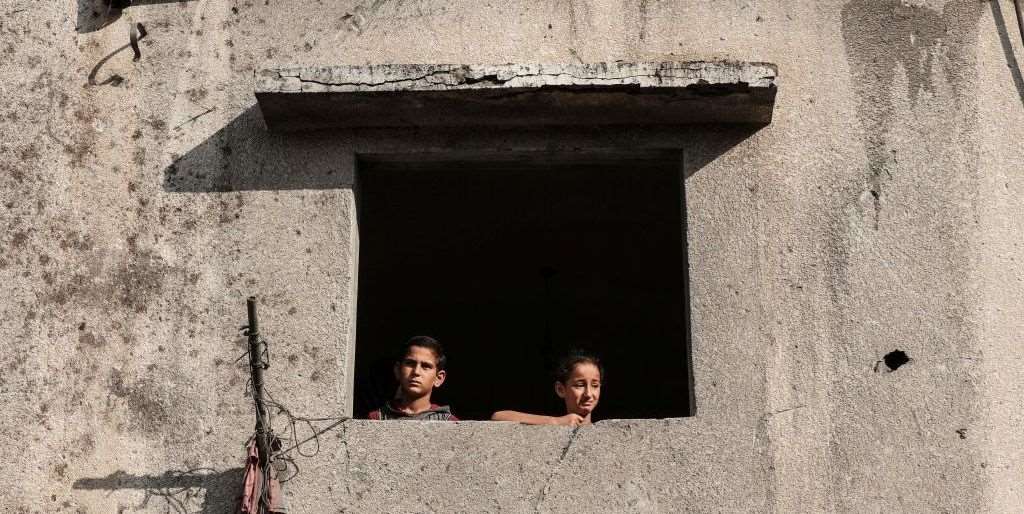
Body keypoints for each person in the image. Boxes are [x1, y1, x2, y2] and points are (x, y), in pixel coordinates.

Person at [491, 351, 602, 426]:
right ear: (560, 389)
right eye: (580, 385)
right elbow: (498, 416)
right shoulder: (557, 424)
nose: (588, 394)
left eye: (595, 385)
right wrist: (556, 421)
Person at [367, 336, 459, 421]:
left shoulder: (449, 422)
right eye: (410, 363)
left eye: (425, 366)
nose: (416, 372)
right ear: (398, 370)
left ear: (438, 378)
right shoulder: (377, 418)